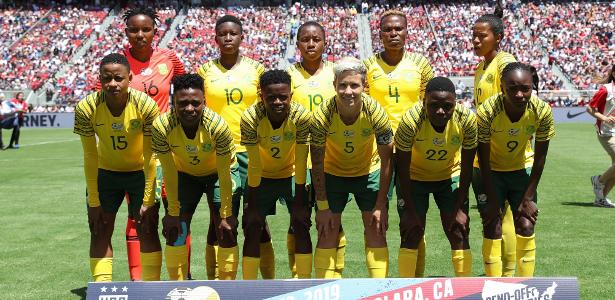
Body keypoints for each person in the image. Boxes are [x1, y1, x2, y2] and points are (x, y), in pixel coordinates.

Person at [104, 7, 187, 281]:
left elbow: (188, 88)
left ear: (155, 31)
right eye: (133, 30)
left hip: (168, 152)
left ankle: (180, 279)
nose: (140, 35)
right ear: (126, 32)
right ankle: (139, 282)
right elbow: (101, 100)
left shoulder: (169, 59)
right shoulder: (117, 64)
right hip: (132, 155)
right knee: (138, 216)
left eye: (146, 29)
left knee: (176, 212)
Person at [196, 15, 271, 280]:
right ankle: (218, 283)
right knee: (219, 221)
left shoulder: (257, 70)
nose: (228, 38)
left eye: (233, 34)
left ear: (242, 37)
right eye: (223, 34)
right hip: (217, 155)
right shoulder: (205, 71)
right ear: (215, 38)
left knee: (257, 220)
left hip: (251, 153)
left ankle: (265, 284)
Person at [74, 53, 159, 282]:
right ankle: (103, 289)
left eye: (118, 78)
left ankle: (150, 290)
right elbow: (90, 155)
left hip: (140, 173)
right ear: (99, 79)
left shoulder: (146, 105)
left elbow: (152, 155)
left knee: (147, 228)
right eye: (107, 78)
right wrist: (94, 201)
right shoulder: (86, 107)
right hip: (105, 174)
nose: (113, 84)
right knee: (100, 229)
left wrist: (149, 199)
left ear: (130, 77)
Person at [363, 9, 434, 277]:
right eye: (388, 30)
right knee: (375, 218)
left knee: (414, 218)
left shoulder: (421, 64)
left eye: (398, 29)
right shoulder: (368, 65)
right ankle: (378, 286)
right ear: (379, 33)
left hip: (412, 152)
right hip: (375, 152)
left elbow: (431, 105)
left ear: (407, 32)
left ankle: (414, 281)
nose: (393, 34)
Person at [152, 74, 240, 280]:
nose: (189, 108)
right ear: (173, 103)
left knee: (225, 228)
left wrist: (226, 212)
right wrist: (172, 212)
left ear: (204, 102)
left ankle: (225, 288)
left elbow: (225, 173)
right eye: (182, 103)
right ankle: (179, 286)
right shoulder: (162, 126)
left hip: (219, 174)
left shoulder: (217, 126)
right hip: (184, 175)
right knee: (176, 228)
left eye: (195, 103)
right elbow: (168, 170)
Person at [311, 57, 393, 279]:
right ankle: (324, 291)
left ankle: (379, 291)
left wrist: (380, 204)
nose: (348, 91)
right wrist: (322, 206)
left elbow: (388, 160)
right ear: (334, 85)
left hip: (369, 173)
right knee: (327, 230)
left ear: (364, 86)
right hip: (333, 174)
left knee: (376, 229)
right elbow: (316, 163)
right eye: (343, 85)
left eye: (354, 85)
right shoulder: (321, 115)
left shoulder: (376, 112)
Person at [474, 62, 555, 277]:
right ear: (502, 88)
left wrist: (528, 196)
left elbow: (541, 156)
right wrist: (492, 199)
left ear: (532, 88)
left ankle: (524, 286)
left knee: (526, 224)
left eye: (525, 89)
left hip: (521, 169)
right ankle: (494, 286)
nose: (519, 94)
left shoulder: (542, 111)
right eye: (512, 89)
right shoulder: (486, 112)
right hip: (488, 171)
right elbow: (482, 158)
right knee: (492, 225)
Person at [395, 77, 477, 277]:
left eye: (447, 106)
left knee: (458, 229)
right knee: (411, 231)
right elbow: (402, 169)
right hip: (414, 179)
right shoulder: (410, 120)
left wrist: (459, 207)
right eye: (434, 105)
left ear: (455, 104)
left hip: (449, 176)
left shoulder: (467, 120)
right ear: (424, 102)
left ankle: (464, 288)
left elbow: (468, 168)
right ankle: (406, 288)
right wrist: (410, 210)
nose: (441, 111)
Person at [287, 21, 346, 279]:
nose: (311, 44)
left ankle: (334, 277)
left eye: (316, 39)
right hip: (296, 161)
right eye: (305, 39)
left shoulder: (337, 74)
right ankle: (298, 278)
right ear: (297, 43)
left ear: (325, 42)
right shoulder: (288, 76)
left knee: (333, 219)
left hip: (331, 160)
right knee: (298, 221)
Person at [240, 69, 312, 279]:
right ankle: (249, 287)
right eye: (271, 97)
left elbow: (301, 160)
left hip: (292, 174)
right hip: (262, 176)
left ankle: (304, 282)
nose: (278, 102)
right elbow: (253, 164)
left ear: (291, 95)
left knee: (301, 223)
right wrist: (252, 204)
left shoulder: (301, 116)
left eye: (283, 97)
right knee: (252, 226)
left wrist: (300, 198)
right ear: (261, 96)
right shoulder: (250, 118)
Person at [472, 5, 518, 277]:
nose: (476, 41)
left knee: (505, 216)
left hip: (501, 154)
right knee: (490, 215)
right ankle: (494, 272)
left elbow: (513, 105)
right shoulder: (482, 67)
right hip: (482, 152)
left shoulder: (504, 64)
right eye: (474, 36)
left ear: (498, 37)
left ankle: (509, 276)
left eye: (482, 36)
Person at [587, 65, 615, 208]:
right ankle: (599, 181)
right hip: (606, 132)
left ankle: (601, 198)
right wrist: (604, 118)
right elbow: (589, 108)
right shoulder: (606, 89)